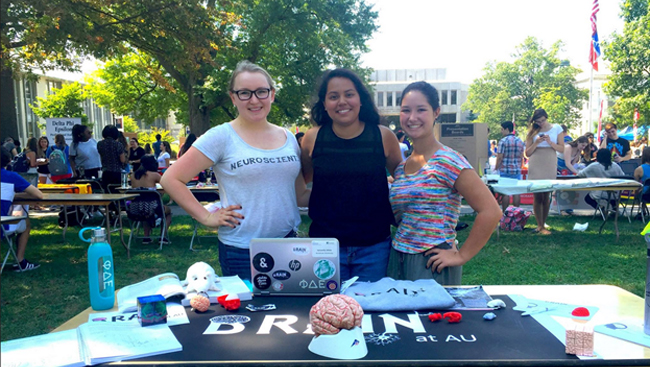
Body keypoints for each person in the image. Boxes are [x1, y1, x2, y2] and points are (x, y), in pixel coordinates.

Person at [161, 60, 310, 280]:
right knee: (250, 314)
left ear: (272, 94)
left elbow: (300, 194)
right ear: (233, 97)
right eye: (244, 93)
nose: (254, 100)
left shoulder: (288, 137)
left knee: (292, 312)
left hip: (288, 244)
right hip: (241, 250)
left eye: (261, 91)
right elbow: (171, 178)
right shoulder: (221, 136)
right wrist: (205, 217)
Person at [387, 81, 501, 285]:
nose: (412, 117)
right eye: (406, 110)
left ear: (436, 112)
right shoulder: (402, 168)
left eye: (421, 109)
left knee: (433, 318)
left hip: (431, 264)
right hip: (397, 260)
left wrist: (460, 256)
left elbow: (491, 211)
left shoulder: (449, 161)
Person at [300, 68, 402, 282]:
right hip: (324, 249)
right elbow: (305, 180)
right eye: (333, 96)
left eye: (349, 94)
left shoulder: (383, 136)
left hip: (374, 248)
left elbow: (404, 183)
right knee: (326, 313)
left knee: (370, 313)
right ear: (325, 104)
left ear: (361, 99)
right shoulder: (312, 138)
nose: (342, 101)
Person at [1, 146, 44, 271]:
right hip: (2, 226)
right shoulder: (12, 177)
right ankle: (20, 261)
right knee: (25, 222)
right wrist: (13, 194)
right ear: (9, 161)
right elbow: (38, 195)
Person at [525, 108, 565, 235]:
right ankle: (539, 225)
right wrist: (536, 142)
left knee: (546, 194)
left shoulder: (557, 128)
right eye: (538, 122)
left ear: (546, 118)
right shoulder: (532, 131)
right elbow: (527, 153)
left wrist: (549, 142)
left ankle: (544, 223)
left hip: (550, 160)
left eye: (542, 121)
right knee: (537, 194)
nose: (541, 123)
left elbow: (562, 149)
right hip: (536, 161)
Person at [130, 155, 172, 244]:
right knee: (168, 212)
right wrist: (160, 193)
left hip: (135, 208)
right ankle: (162, 237)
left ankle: (146, 237)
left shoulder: (133, 175)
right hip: (151, 208)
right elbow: (167, 185)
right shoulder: (154, 175)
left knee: (145, 211)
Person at [495, 121, 525, 212]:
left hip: (505, 169)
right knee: (516, 192)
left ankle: (505, 213)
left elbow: (500, 157)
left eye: (502, 129)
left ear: (507, 129)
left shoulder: (503, 141)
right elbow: (521, 156)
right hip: (516, 170)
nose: (501, 131)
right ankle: (516, 213)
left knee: (505, 193)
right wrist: (519, 166)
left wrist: (496, 168)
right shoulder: (519, 141)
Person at [97, 125, 126, 193]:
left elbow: (101, 156)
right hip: (116, 172)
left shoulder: (100, 144)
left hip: (106, 172)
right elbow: (122, 160)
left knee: (108, 193)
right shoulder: (118, 144)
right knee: (117, 193)